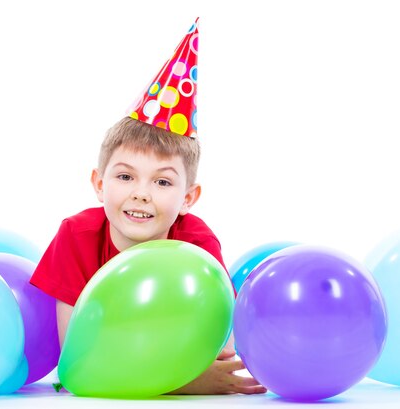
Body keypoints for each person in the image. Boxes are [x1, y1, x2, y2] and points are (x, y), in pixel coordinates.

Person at [30, 18, 266, 395]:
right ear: (98, 183)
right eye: (125, 177)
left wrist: (167, 374)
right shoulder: (76, 235)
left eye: (162, 182)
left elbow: (221, 349)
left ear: (189, 197)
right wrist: (183, 383)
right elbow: (75, 360)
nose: (141, 193)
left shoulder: (196, 245)